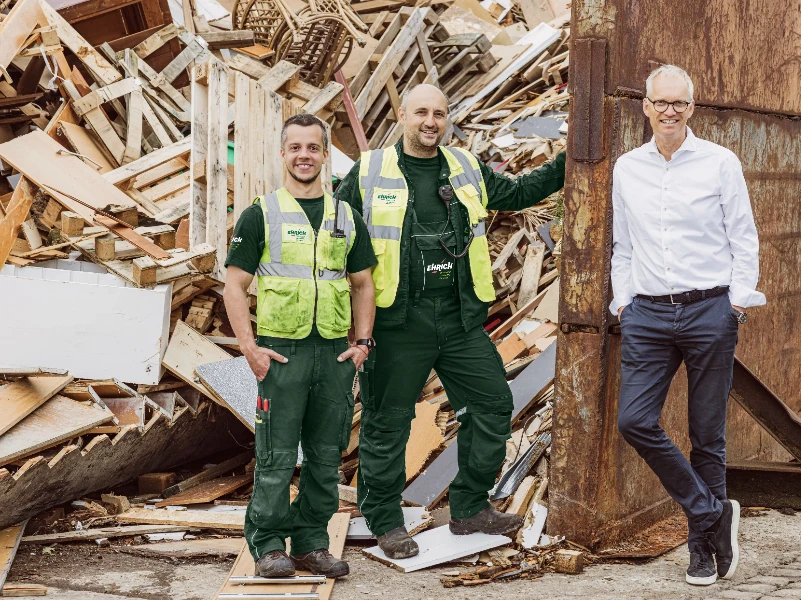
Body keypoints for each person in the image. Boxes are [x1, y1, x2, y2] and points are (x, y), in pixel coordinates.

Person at [335, 83, 566, 559]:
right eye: (421, 112)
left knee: (493, 406)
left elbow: (519, 191)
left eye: (439, 114)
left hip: (459, 320)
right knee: (387, 424)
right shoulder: (370, 170)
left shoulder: (464, 166)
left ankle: (469, 507)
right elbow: (334, 234)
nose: (430, 122)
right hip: (398, 324)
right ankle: (385, 520)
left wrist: (571, 157)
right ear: (402, 114)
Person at [610, 65, 765, 586]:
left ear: (691, 109)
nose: (669, 111)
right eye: (661, 102)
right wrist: (623, 303)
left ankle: (701, 551)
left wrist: (736, 304)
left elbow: (743, 236)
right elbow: (623, 245)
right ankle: (710, 511)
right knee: (634, 420)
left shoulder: (720, 163)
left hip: (709, 312)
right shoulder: (627, 168)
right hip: (648, 314)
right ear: (646, 107)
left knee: (707, 437)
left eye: (679, 103)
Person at [223, 113, 377, 578]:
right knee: (276, 455)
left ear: (325, 155)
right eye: (295, 147)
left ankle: (312, 543)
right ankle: (269, 546)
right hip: (281, 355)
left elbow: (363, 283)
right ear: (283, 153)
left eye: (313, 148)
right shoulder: (261, 213)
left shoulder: (344, 216)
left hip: (332, 354)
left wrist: (362, 343)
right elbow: (234, 287)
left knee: (326, 454)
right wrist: (249, 347)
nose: (304, 156)